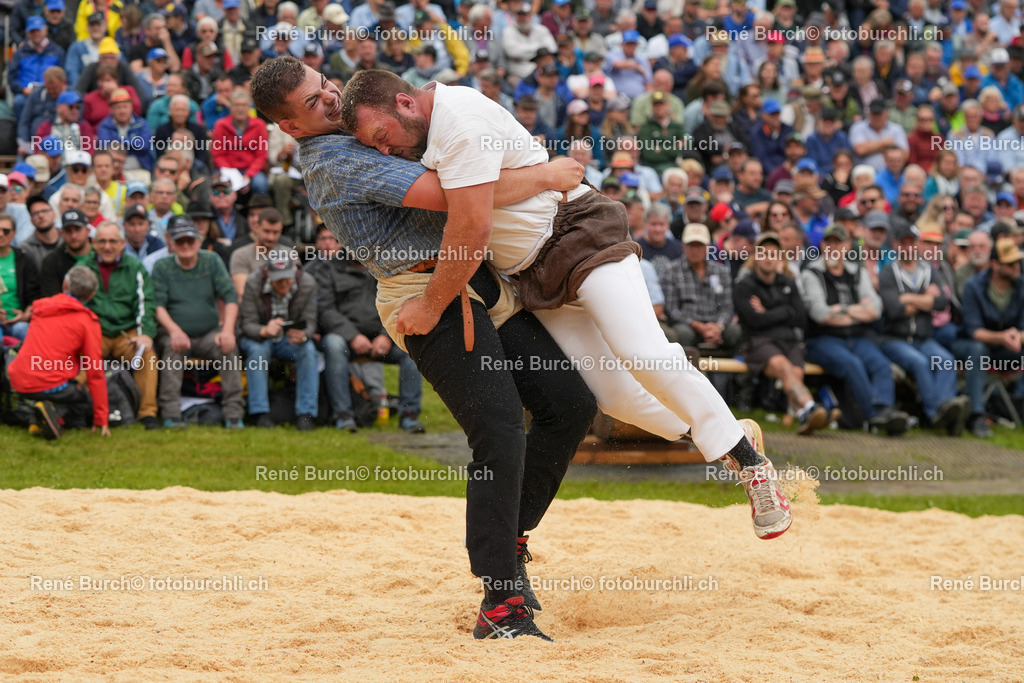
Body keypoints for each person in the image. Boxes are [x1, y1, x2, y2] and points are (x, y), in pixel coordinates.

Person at [340, 68, 792, 540]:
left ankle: (751, 466)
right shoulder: (425, 128)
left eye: (380, 136)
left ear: (405, 103)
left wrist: (431, 305)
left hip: (577, 237)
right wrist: (542, 174)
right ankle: (726, 433)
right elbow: (469, 196)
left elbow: (471, 223)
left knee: (644, 355)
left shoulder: (458, 120)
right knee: (615, 398)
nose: (384, 149)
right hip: (536, 275)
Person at [252, 57, 600, 642]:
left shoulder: (363, 123)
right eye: (314, 103)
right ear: (290, 127)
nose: (331, 98)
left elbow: (467, 175)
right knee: (497, 429)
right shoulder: (335, 160)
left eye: (324, 84)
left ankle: (510, 541)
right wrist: (545, 174)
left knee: (568, 404)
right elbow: (458, 197)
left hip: (473, 278)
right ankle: (499, 603)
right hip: (423, 289)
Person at [306, 225, 425, 433]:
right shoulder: (328, 269)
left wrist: (386, 336)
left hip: (382, 336)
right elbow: (326, 310)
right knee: (334, 345)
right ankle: (343, 415)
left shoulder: (385, 268)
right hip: (344, 338)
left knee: (411, 347)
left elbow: (398, 303)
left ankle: (409, 414)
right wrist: (352, 336)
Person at [801, 226, 910, 435]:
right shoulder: (811, 273)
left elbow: (876, 310)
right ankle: (876, 418)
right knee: (852, 365)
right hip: (822, 339)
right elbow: (820, 314)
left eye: (838, 243)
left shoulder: (857, 272)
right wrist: (857, 311)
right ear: (823, 245)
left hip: (856, 337)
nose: (833, 247)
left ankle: (885, 410)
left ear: (847, 246)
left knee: (880, 364)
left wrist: (840, 311)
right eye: (829, 243)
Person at [152, 215, 246, 429]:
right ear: (172, 243)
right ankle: (171, 413)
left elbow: (230, 296)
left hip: (208, 332)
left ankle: (233, 413)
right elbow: (157, 305)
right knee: (172, 350)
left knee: (228, 347)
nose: (186, 245)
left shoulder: (211, 261)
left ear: (198, 240)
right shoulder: (162, 267)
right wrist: (174, 331)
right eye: (180, 241)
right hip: (175, 331)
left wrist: (228, 330)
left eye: (190, 240)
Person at [734, 231, 832, 435]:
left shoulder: (788, 282)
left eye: (773, 254)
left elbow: (801, 318)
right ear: (756, 256)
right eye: (763, 253)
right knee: (786, 369)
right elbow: (754, 321)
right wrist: (785, 311)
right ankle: (809, 407)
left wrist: (769, 311)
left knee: (795, 372)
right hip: (758, 343)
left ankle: (804, 416)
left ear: (780, 258)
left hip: (788, 342)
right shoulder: (744, 285)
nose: (768, 258)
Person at [7, 265, 109, 440]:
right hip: (49, 384)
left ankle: (36, 416)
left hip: (18, 379)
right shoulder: (87, 321)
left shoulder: (41, 309)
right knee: (81, 398)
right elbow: (95, 371)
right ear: (91, 295)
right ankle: (53, 416)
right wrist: (101, 418)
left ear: (64, 285)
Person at [86, 220, 160, 429]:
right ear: (93, 243)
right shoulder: (84, 267)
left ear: (122, 243)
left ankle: (147, 413)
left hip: (125, 334)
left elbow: (146, 303)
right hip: (95, 332)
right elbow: (76, 303)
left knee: (147, 355)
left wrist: (145, 334)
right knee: (79, 359)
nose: (107, 246)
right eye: (102, 241)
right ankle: (79, 411)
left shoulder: (134, 267)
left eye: (112, 241)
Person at [238, 256, 320, 431]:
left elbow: (311, 321)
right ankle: (260, 413)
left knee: (308, 350)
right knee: (258, 351)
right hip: (261, 337)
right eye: (278, 279)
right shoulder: (253, 282)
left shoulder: (307, 283)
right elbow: (246, 324)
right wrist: (264, 331)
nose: (284, 283)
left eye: (287, 278)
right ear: (268, 273)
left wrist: (303, 335)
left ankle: (306, 414)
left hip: (289, 339)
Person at [953, 238, 1024, 438]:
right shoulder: (973, 286)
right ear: (995, 265)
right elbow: (974, 331)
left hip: (1007, 348)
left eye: (1017, 262)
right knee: (978, 350)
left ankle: (1019, 404)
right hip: (969, 346)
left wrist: (1017, 336)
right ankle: (977, 416)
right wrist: (1003, 337)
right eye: (1010, 264)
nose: (1016, 267)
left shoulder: (1021, 285)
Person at [659, 223, 741, 356]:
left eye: (699, 245)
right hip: (688, 325)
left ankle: (735, 376)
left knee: (735, 331)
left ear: (707, 247)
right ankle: (687, 373)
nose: (695, 250)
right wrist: (698, 326)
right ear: (683, 247)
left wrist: (718, 327)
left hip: (716, 325)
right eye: (691, 245)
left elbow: (727, 307)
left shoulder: (720, 271)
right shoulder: (671, 270)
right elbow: (672, 309)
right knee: (683, 334)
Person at [0, 213, 40, 342]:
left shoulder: (24, 259)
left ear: (14, 234)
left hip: (17, 321)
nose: (1, 234)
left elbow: (34, 295)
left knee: (26, 332)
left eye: (6, 231)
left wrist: (25, 315)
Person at [39, 209, 94, 297]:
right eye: (68, 231)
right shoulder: (52, 261)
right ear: (62, 233)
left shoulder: (100, 255)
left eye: (78, 229)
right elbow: (52, 299)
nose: (73, 236)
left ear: (88, 231)